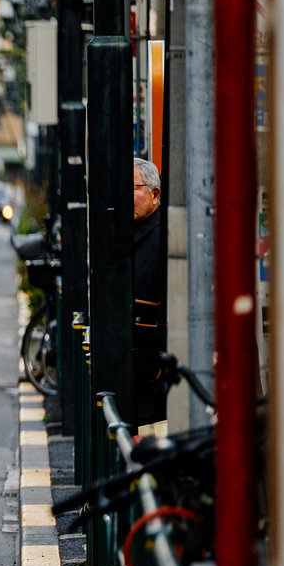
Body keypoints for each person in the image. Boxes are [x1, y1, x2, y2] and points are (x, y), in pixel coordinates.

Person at [132, 157, 166, 429]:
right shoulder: (124, 231)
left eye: (132, 188)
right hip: (130, 364)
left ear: (155, 194)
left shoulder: (164, 236)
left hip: (150, 368)